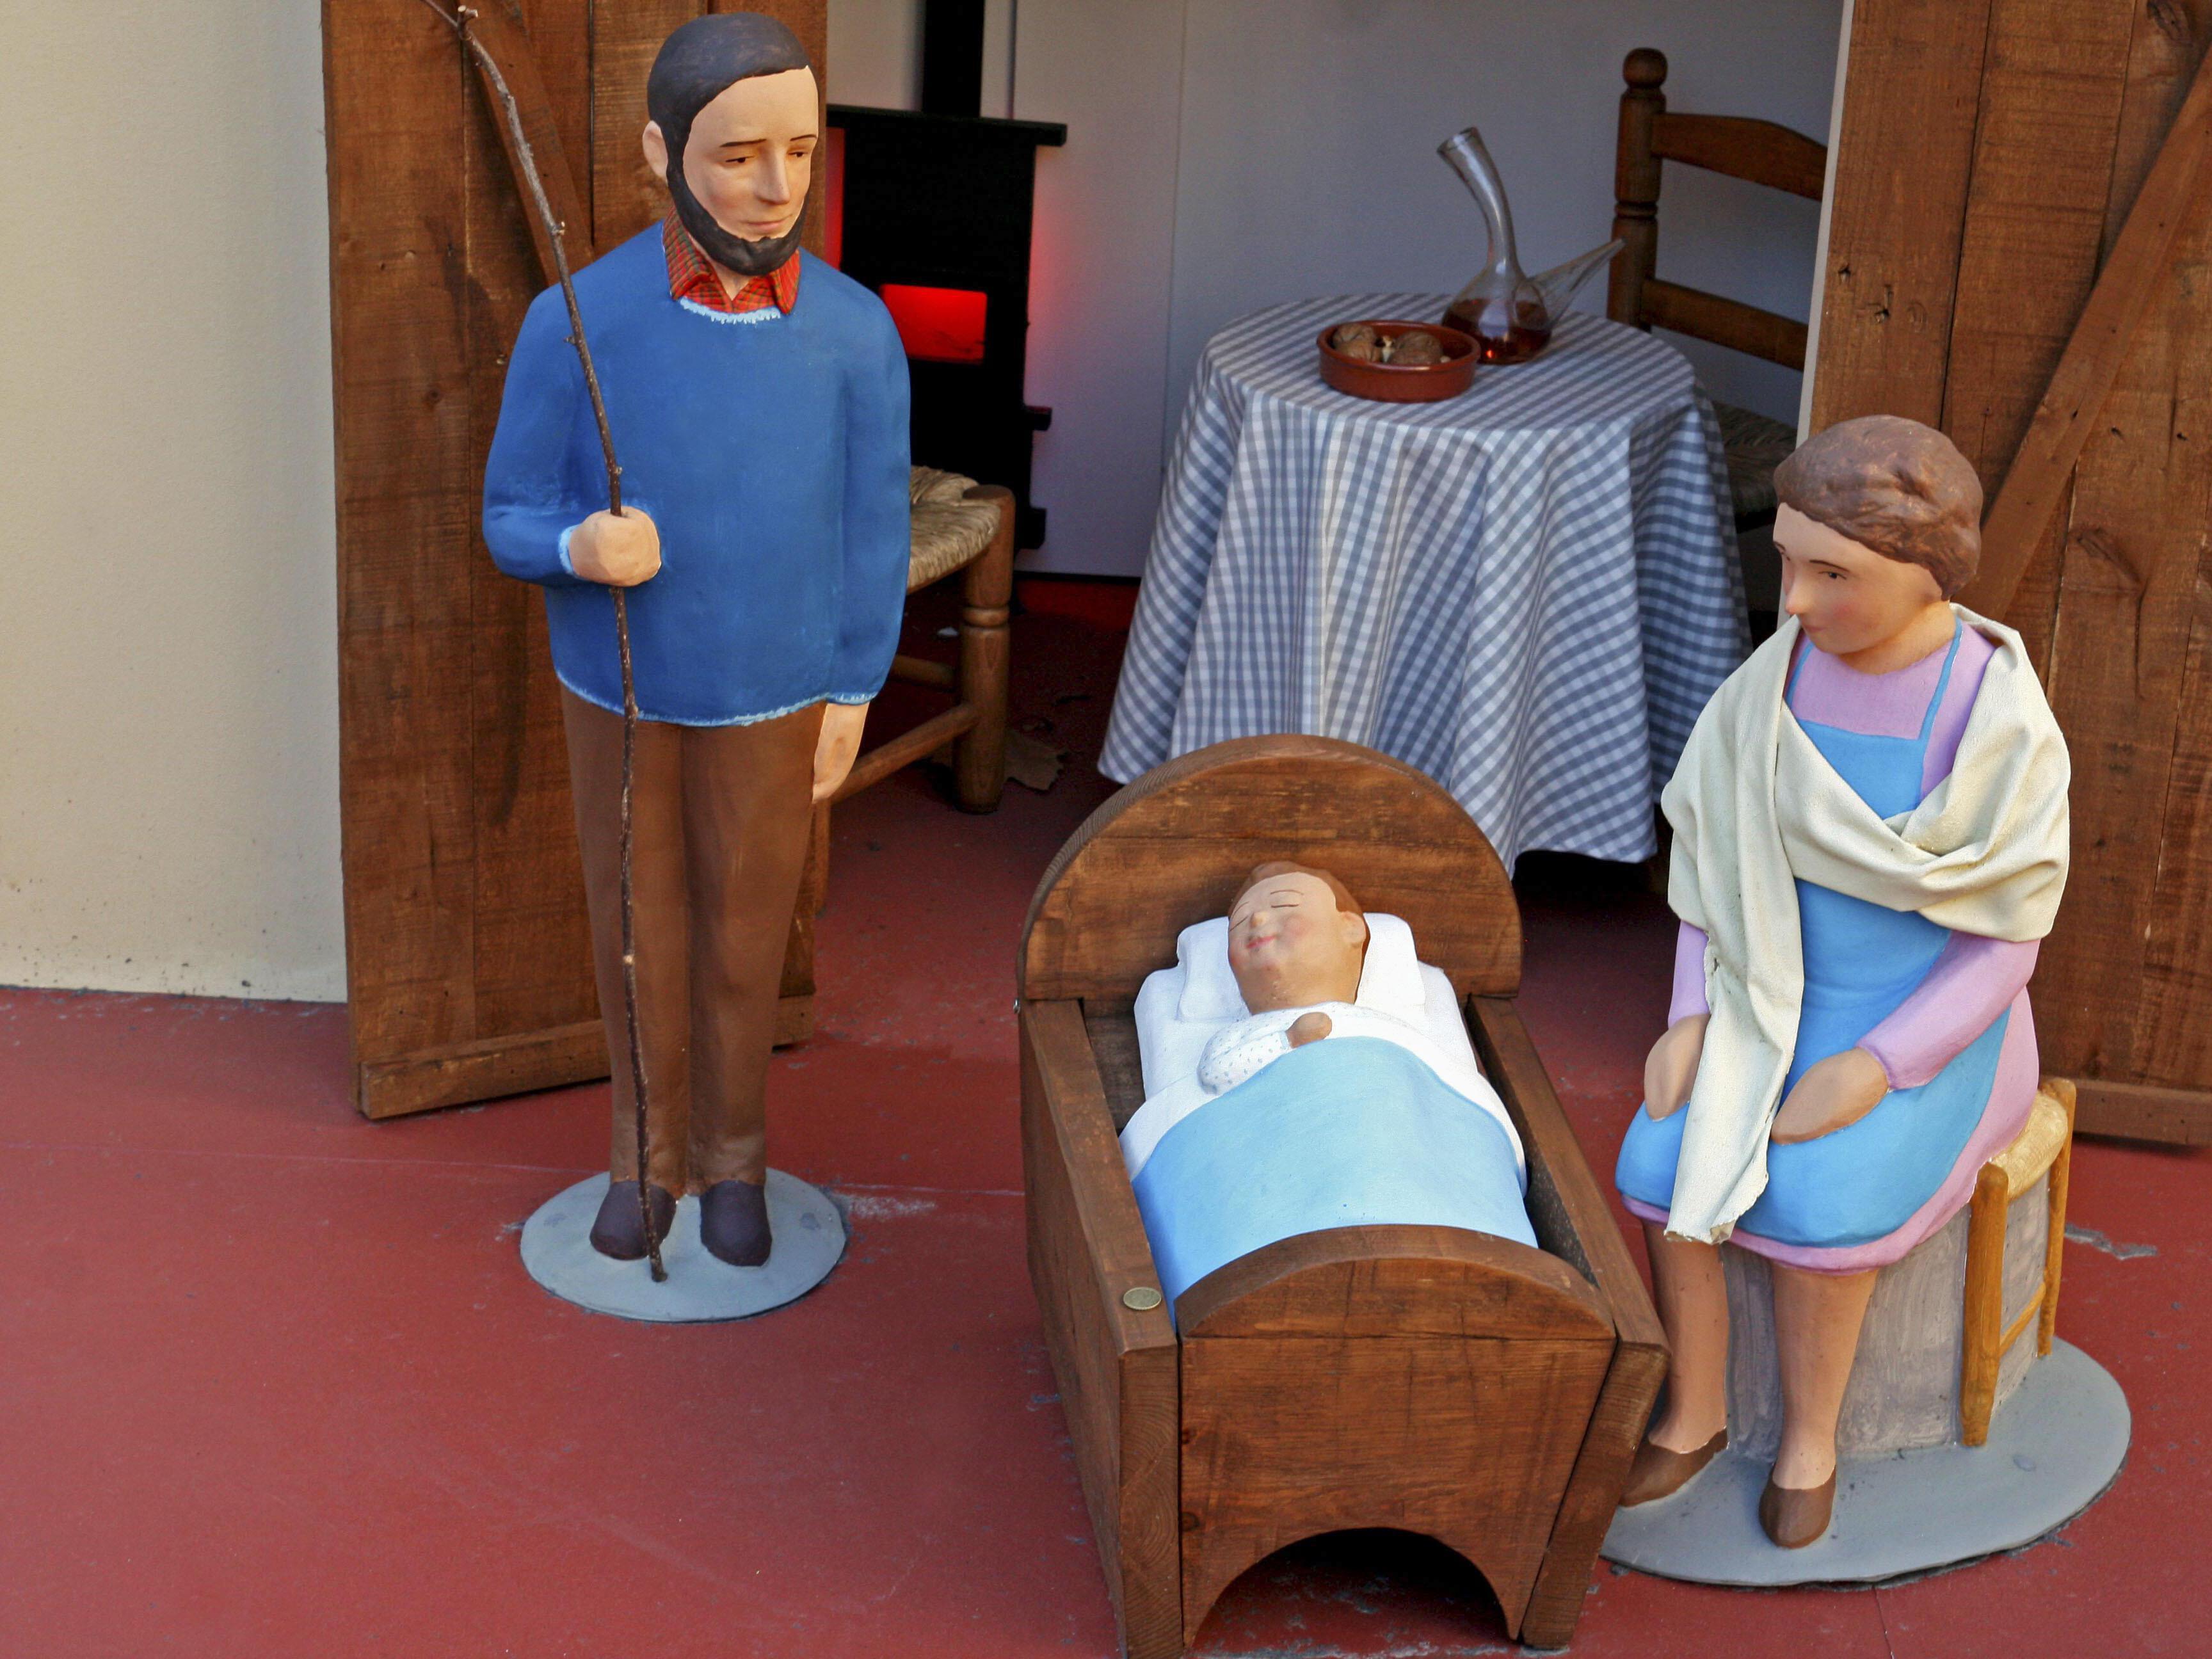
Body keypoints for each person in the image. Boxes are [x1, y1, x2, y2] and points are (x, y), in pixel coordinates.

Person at [481, 13, 910, 1267]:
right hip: (620, 693)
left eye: (801, 151)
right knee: (634, 932)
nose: (777, 187)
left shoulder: (854, 333)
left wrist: (853, 685)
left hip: (776, 691)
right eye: (736, 156)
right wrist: (577, 546)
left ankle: (734, 1160)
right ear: (658, 154)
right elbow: (509, 514)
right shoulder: (578, 322)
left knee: (745, 934)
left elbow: (872, 526)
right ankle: (644, 1157)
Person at [1614, 415, 2070, 1546]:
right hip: (1768, 986)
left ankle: (1810, 1440)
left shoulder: (1992, 715)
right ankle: (1697, 1410)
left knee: (1822, 1195)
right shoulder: (1769, 686)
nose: (1798, 603)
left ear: (1927, 573)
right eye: (1788, 564)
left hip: (1926, 1023)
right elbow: (1716, 872)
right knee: (1661, 1159)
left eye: (1834, 575)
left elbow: (2005, 944)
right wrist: (1691, 1015)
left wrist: (1878, 1066)